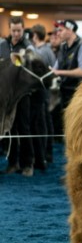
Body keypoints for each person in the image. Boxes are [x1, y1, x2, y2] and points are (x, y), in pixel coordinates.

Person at [0, 16, 36, 176]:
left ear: (23, 29)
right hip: (6, 96)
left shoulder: (29, 47)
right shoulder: (2, 45)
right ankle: (13, 163)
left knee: (24, 127)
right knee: (9, 128)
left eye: (19, 30)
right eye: (13, 30)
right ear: (9, 29)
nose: (16, 33)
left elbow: (30, 69)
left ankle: (28, 164)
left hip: (22, 94)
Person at [52, 19, 82, 139]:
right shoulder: (63, 48)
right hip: (64, 92)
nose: (57, 33)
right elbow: (55, 68)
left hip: (78, 93)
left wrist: (59, 72)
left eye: (60, 30)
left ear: (70, 30)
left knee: (78, 128)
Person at [30, 24, 56, 168]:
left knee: (44, 122)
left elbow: (52, 70)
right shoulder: (42, 50)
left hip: (42, 91)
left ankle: (47, 153)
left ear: (35, 35)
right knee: (43, 122)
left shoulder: (45, 51)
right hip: (37, 91)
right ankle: (44, 153)